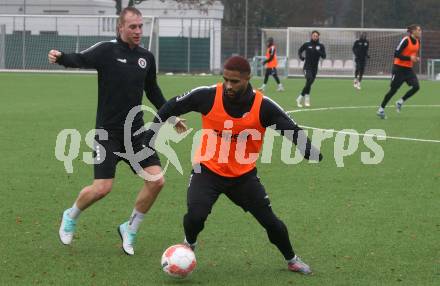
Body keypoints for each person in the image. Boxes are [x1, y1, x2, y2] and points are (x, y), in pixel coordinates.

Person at [145, 56, 323, 274]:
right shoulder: (208, 95)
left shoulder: (263, 106)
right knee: (195, 216)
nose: (228, 85)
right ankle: (189, 244)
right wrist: (150, 136)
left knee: (271, 222)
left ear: (248, 79)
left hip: (243, 176)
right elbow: (171, 105)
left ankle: (292, 259)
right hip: (207, 170)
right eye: (226, 79)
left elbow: (289, 127)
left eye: (235, 81)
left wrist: (308, 150)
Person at [48, 7, 187, 255]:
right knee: (102, 187)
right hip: (107, 134)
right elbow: (80, 59)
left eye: (140, 26)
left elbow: (153, 91)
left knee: (157, 181)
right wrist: (60, 57)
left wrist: (171, 116)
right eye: (132, 26)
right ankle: (71, 215)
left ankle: (129, 229)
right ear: (120, 28)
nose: (137, 31)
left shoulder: (146, 57)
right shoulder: (106, 51)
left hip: (135, 134)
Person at [377, 24, 422, 119]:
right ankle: (381, 109)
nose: (420, 31)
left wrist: (415, 58)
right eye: (418, 30)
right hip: (398, 68)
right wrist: (409, 58)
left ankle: (400, 101)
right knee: (393, 90)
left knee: (416, 87)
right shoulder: (406, 40)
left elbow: (413, 55)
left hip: (408, 69)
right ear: (413, 31)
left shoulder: (418, 41)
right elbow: (396, 54)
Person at [296, 31, 326, 108]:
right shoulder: (307, 44)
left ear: (318, 37)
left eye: (316, 36)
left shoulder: (321, 46)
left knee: (309, 84)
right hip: (307, 67)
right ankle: (302, 99)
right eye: (314, 35)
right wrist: (301, 57)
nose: (315, 37)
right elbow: (300, 51)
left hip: (315, 68)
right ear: (311, 36)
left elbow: (324, 56)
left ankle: (302, 99)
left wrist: (318, 51)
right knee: (309, 80)